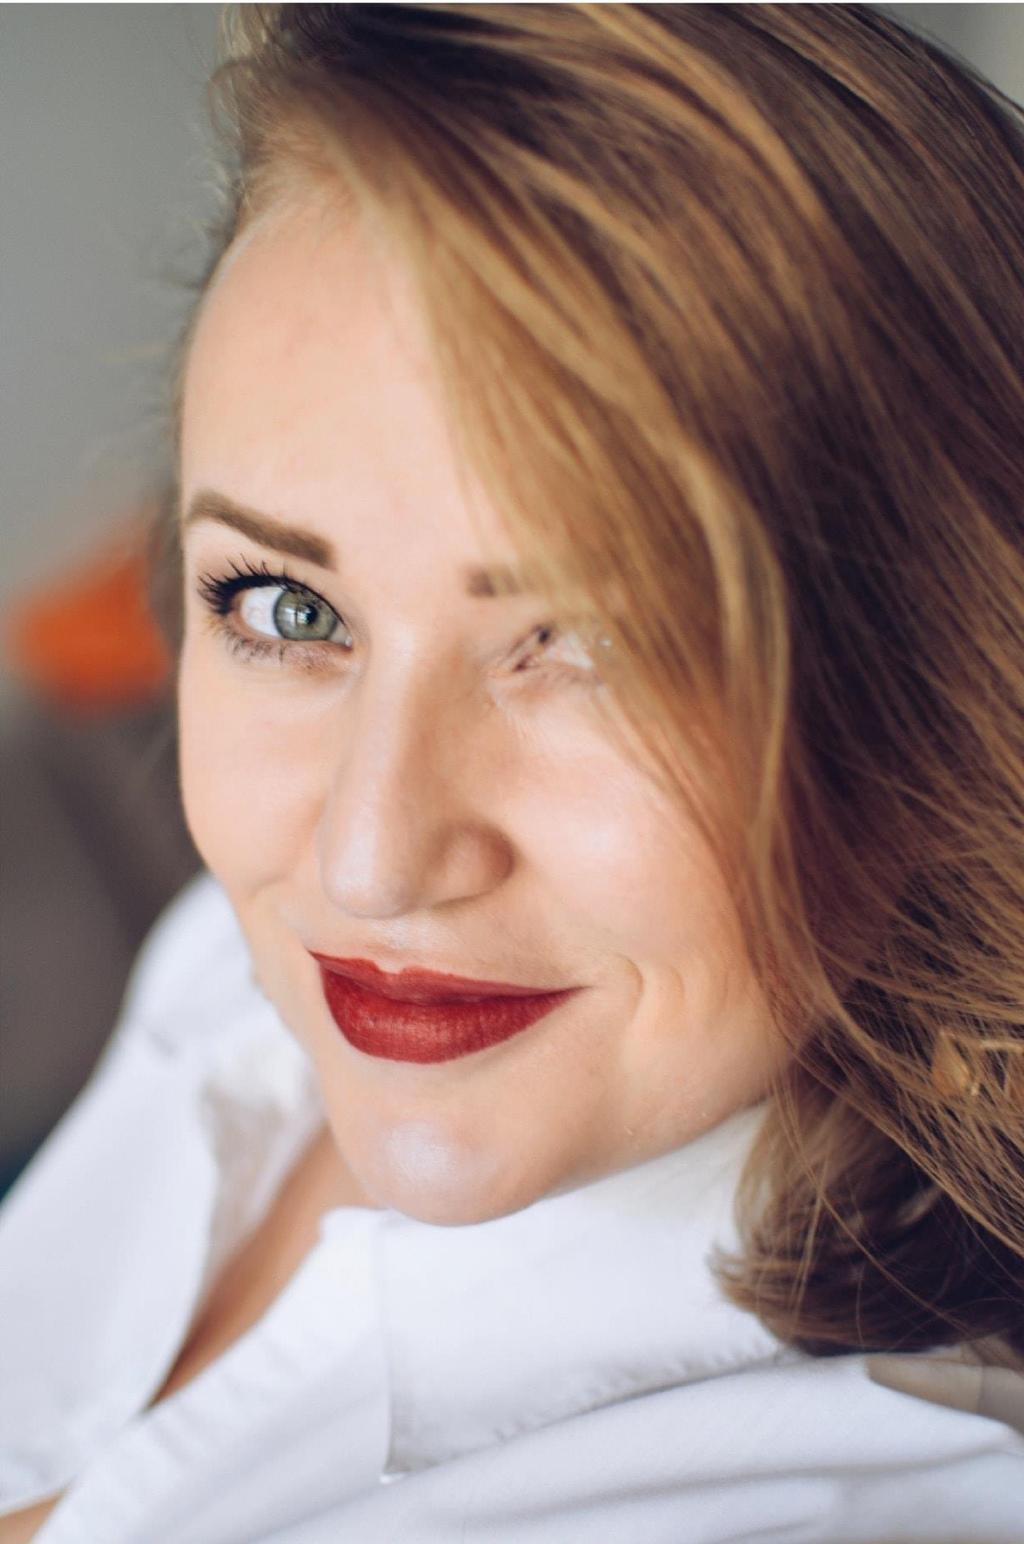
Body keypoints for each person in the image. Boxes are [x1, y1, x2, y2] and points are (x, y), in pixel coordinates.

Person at [2, 4, 1023, 1539]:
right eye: (289, 611)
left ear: (947, 695)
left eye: (600, 640)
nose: (367, 861)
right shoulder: (260, 976)